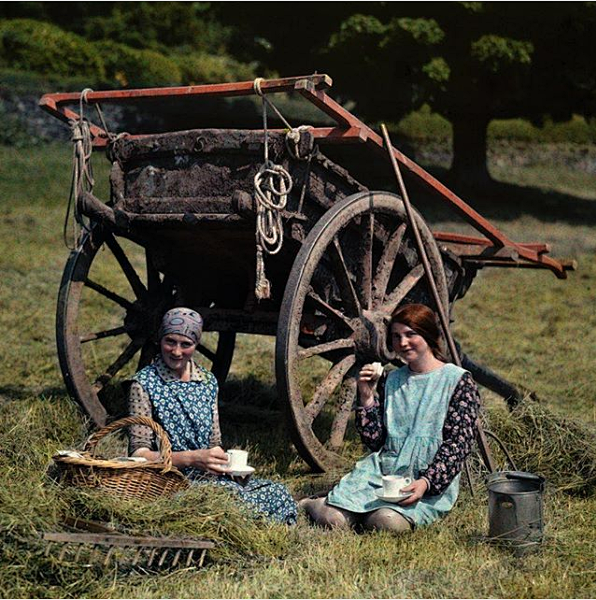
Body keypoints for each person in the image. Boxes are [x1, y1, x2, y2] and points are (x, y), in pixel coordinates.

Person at [301, 303, 480, 533]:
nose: (402, 343)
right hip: (382, 476)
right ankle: (310, 504)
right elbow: (376, 442)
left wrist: (426, 483)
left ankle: (369, 517)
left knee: (385, 522)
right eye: (396, 336)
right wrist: (366, 397)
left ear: (428, 335)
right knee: (332, 518)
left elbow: (458, 444)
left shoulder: (457, 381)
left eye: (410, 334)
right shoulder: (393, 379)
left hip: (424, 482)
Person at [128, 307, 297, 524]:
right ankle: (249, 523)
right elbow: (139, 455)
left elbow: (214, 444)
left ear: (196, 345)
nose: (176, 351)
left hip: (208, 479)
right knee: (230, 498)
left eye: (186, 344)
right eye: (170, 341)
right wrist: (191, 458)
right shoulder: (143, 384)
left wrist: (227, 467)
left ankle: (253, 523)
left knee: (278, 492)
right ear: (160, 340)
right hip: (168, 481)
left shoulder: (207, 382)